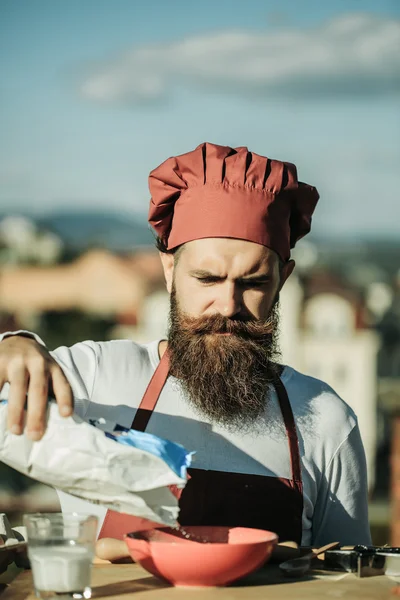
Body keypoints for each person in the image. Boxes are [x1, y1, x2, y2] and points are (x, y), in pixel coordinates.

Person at [0, 142, 371, 563]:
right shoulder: (91, 378)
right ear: (170, 271)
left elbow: (351, 579)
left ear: (283, 279)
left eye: (253, 283)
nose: (228, 306)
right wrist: (12, 345)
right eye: (207, 278)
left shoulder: (325, 419)